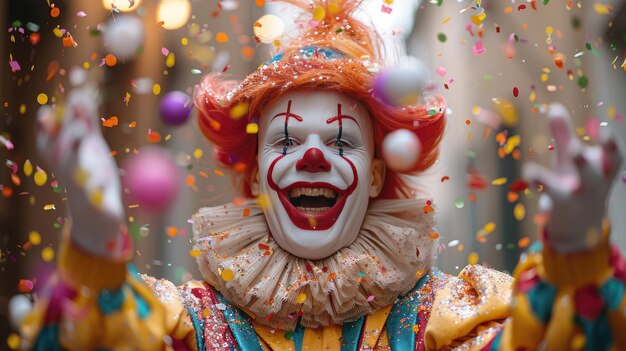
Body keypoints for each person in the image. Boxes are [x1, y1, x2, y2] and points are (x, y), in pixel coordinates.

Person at [15, 0, 626, 350]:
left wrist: (577, 254)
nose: (312, 157)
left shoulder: (450, 320)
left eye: (340, 140)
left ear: (379, 171)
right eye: (285, 139)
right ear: (254, 175)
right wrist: (94, 238)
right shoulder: (185, 326)